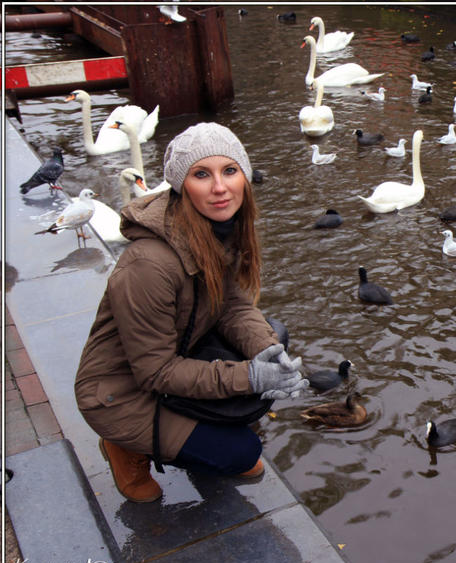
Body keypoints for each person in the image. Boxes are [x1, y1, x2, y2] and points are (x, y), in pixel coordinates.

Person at [75, 122, 306, 503]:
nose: (219, 187)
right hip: (120, 393)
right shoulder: (147, 265)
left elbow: (230, 303)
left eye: (229, 171)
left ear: (244, 178)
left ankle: (200, 433)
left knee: (273, 334)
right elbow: (156, 371)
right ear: (182, 185)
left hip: (180, 347)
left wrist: (267, 352)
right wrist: (250, 377)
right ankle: (124, 446)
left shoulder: (216, 228)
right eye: (202, 174)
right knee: (241, 453)